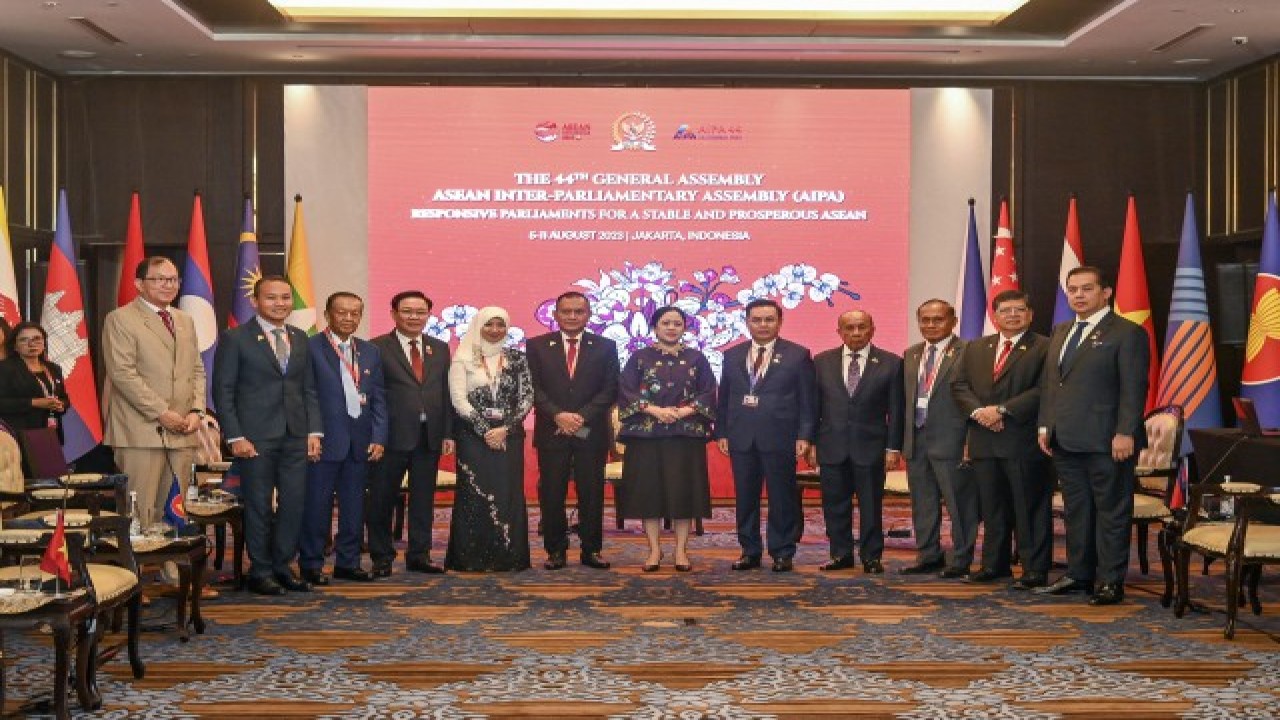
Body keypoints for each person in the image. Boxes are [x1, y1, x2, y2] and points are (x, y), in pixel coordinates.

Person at [1036, 266, 1149, 606]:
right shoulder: (1061, 330)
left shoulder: (1127, 332)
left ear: (1106, 292)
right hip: (1065, 439)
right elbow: (1051, 384)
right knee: (1077, 512)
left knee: (1111, 512)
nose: (1079, 295)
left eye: (1087, 289)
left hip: (1107, 442)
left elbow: (1134, 387)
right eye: (1073, 290)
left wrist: (1125, 432)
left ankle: (1111, 581)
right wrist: (1045, 424)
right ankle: (1079, 574)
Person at [212, 275, 323, 596]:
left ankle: (282, 566)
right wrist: (234, 436)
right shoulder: (235, 338)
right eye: (272, 298)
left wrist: (314, 430)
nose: (280, 304)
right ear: (255, 302)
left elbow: (308, 389)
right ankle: (259, 571)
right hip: (254, 437)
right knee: (259, 506)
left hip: (296, 435)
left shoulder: (301, 338)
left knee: (294, 504)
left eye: (286, 298)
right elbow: (224, 391)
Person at [951, 289, 1051, 588]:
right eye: (1005, 310)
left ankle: (1034, 569)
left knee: (1028, 508)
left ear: (1030, 315)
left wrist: (1003, 411)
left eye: (1019, 309)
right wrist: (980, 412)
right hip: (984, 439)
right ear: (995, 317)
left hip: (1023, 441)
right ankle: (995, 565)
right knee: (991, 508)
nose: (1012, 315)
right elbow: (958, 386)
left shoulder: (1045, 347)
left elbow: (1044, 389)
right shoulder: (976, 347)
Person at [101, 257, 207, 529]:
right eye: (159, 279)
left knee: (175, 508)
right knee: (140, 513)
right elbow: (123, 374)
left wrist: (196, 410)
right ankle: (135, 571)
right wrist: (161, 412)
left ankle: (169, 568)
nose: (168, 285)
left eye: (173, 279)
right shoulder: (121, 319)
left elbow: (197, 369)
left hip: (183, 430)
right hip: (141, 431)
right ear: (139, 284)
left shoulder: (184, 320)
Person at [715, 298, 815, 573]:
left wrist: (805, 435)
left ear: (779, 322)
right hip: (741, 436)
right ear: (747, 322)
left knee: (781, 497)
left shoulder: (798, 355)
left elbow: (808, 400)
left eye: (769, 319)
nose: (762, 324)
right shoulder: (732, 355)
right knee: (745, 497)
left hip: (781, 436)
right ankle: (750, 551)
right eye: (756, 319)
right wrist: (721, 430)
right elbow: (724, 398)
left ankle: (782, 552)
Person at [617, 306, 716, 572]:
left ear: (685, 327)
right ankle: (654, 551)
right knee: (650, 494)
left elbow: (708, 392)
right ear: (655, 327)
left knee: (684, 493)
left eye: (677, 323)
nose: (671, 328)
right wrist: (656, 411)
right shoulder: (638, 358)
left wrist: (684, 411)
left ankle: (681, 551)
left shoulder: (697, 358)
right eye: (665, 323)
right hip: (647, 435)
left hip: (685, 435)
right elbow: (626, 391)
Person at [526, 291, 619, 570]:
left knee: (591, 492)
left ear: (588, 315)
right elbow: (532, 387)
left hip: (590, 431)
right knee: (551, 492)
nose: (572, 316)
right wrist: (558, 415)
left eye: (579, 311)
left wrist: (580, 417)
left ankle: (592, 550)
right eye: (566, 311)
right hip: (551, 430)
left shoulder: (605, 346)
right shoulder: (537, 346)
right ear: (555, 315)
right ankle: (556, 550)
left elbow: (610, 388)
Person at [300, 292, 387, 585]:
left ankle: (348, 562)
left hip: (360, 442)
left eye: (355, 313)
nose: (348, 318)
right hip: (324, 441)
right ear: (328, 314)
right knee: (317, 505)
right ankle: (311, 563)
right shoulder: (310, 347)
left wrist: (379, 436)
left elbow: (377, 399)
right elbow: (307, 394)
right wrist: (312, 432)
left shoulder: (370, 351)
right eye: (342, 313)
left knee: (354, 507)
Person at [808, 310, 903, 574]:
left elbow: (896, 410)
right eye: (849, 328)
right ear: (839, 331)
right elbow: (813, 407)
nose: (856, 333)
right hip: (831, 446)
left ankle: (871, 557)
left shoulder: (891, 363)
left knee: (871, 506)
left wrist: (893, 448)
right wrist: (812, 443)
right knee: (834, 505)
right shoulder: (821, 361)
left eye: (862, 327)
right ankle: (841, 554)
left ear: (872, 329)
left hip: (871, 448)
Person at [368, 291, 454, 577]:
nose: (414, 317)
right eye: (407, 311)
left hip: (428, 436)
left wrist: (447, 433)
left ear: (428, 315)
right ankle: (382, 556)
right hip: (390, 438)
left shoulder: (440, 348)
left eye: (420, 312)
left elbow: (445, 393)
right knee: (382, 499)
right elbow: (373, 394)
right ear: (393, 313)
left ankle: (419, 554)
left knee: (423, 501)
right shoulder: (376, 347)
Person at [445, 307, 533, 572]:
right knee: (474, 496)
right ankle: (470, 559)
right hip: (473, 437)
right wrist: (486, 429)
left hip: (509, 436)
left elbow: (527, 396)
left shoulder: (516, 358)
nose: (495, 330)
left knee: (508, 495)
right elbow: (458, 399)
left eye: (500, 325)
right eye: (489, 325)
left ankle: (509, 558)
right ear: (478, 326)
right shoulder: (463, 358)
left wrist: (505, 428)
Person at [900, 299, 976, 578]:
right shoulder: (911, 354)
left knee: (960, 505)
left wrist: (970, 441)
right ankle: (928, 555)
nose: (930, 325)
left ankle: (961, 559)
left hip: (953, 441)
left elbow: (974, 399)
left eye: (938, 319)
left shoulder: (968, 351)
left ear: (953, 321)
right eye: (925, 320)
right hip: (917, 440)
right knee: (923, 503)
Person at [0, 322, 70, 474]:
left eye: (37, 339)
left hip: (50, 435)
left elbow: (64, 398)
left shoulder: (53, 368)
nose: (31, 344)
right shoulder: (5, 368)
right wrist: (35, 403)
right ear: (15, 346)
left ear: (44, 343)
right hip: (18, 436)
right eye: (24, 340)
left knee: (51, 485)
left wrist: (60, 405)